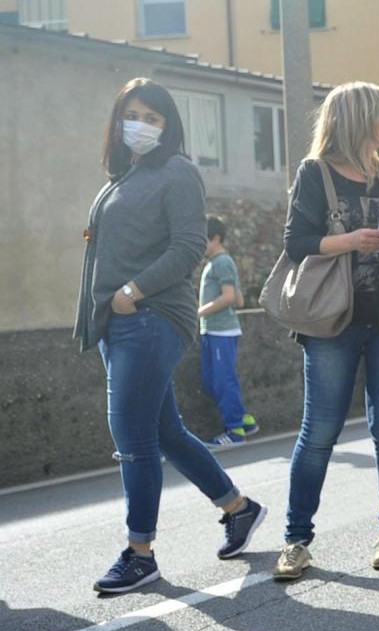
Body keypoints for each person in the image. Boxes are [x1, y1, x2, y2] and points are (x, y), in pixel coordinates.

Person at [76, 78, 265, 594]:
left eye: (152, 117)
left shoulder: (177, 171)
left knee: (132, 440)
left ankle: (140, 553)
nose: (140, 124)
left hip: (150, 316)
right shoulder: (122, 178)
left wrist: (132, 292)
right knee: (165, 432)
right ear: (117, 122)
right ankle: (238, 507)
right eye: (131, 114)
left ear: (168, 126)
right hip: (121, 323)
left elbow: (187, 246)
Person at [273, 82, 379, 581]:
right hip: (331, 321)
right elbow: (297, 243)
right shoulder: (314, 174)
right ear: (360, 119)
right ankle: (296, 540)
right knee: (318, 433)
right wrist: (352, 240)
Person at [199, 215, 259, 446]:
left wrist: (199, 312)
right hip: (216, 331)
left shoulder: (221, 262)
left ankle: (235, 431)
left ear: (215, 238)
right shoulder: (221, 262)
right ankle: (245, 420)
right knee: (212, 380)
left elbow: (230, 298)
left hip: (221, 331)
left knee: (222, 380)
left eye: (202, 239)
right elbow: (240, 300)